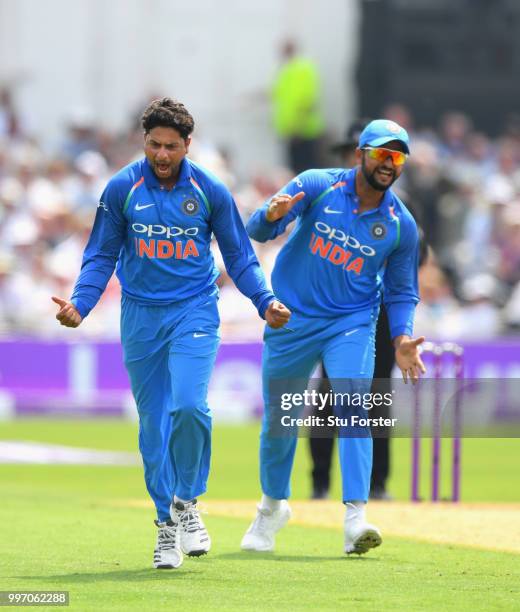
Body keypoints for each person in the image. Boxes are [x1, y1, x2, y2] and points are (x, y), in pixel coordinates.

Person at [51, 97, 291, 570]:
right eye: (154, 145)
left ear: (187, 145)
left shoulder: (209, 190)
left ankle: (187, 504)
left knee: (190, 406)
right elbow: (101, 255)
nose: (162, 155)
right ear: (144, 142)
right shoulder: (122, 187)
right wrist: (81, 302)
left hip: (194, 311)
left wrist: (265, 301)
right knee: (153, 425)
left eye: (171, 147)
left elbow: (239, 255)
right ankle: (165, 526)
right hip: (140, 316)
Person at [242, 119, 426, 555]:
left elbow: (402, 291)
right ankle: (271, 509)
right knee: (279, 419)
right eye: (381, 153)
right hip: (292, 318)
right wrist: (270, 216)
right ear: (360, 153)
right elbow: (256, 230)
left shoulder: (401, 224)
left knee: (353, 405)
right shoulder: (316, 185)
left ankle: (355, 518)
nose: (388, 163)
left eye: (397, 156)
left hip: (352, 322)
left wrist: (402, 338)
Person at [271, 40, 325, 173]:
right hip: (291, 132)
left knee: (306, 170)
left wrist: (298, 127)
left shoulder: (303, 69)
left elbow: (308, 101)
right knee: (294, 171)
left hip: (303, 132)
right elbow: (276, 93)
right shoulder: (285, 70)